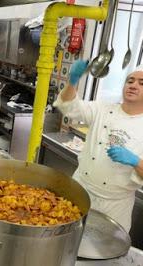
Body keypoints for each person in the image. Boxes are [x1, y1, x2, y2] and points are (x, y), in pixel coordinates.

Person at [53, 60, 143, 232]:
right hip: (80, 189)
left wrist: (135, 161)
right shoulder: (103, 108)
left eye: (141, 83)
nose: (133, 85)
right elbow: (69, 107)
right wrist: (73, 81)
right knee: (64, 241)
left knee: (103, 254)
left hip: (115, 205)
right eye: (130, 81)